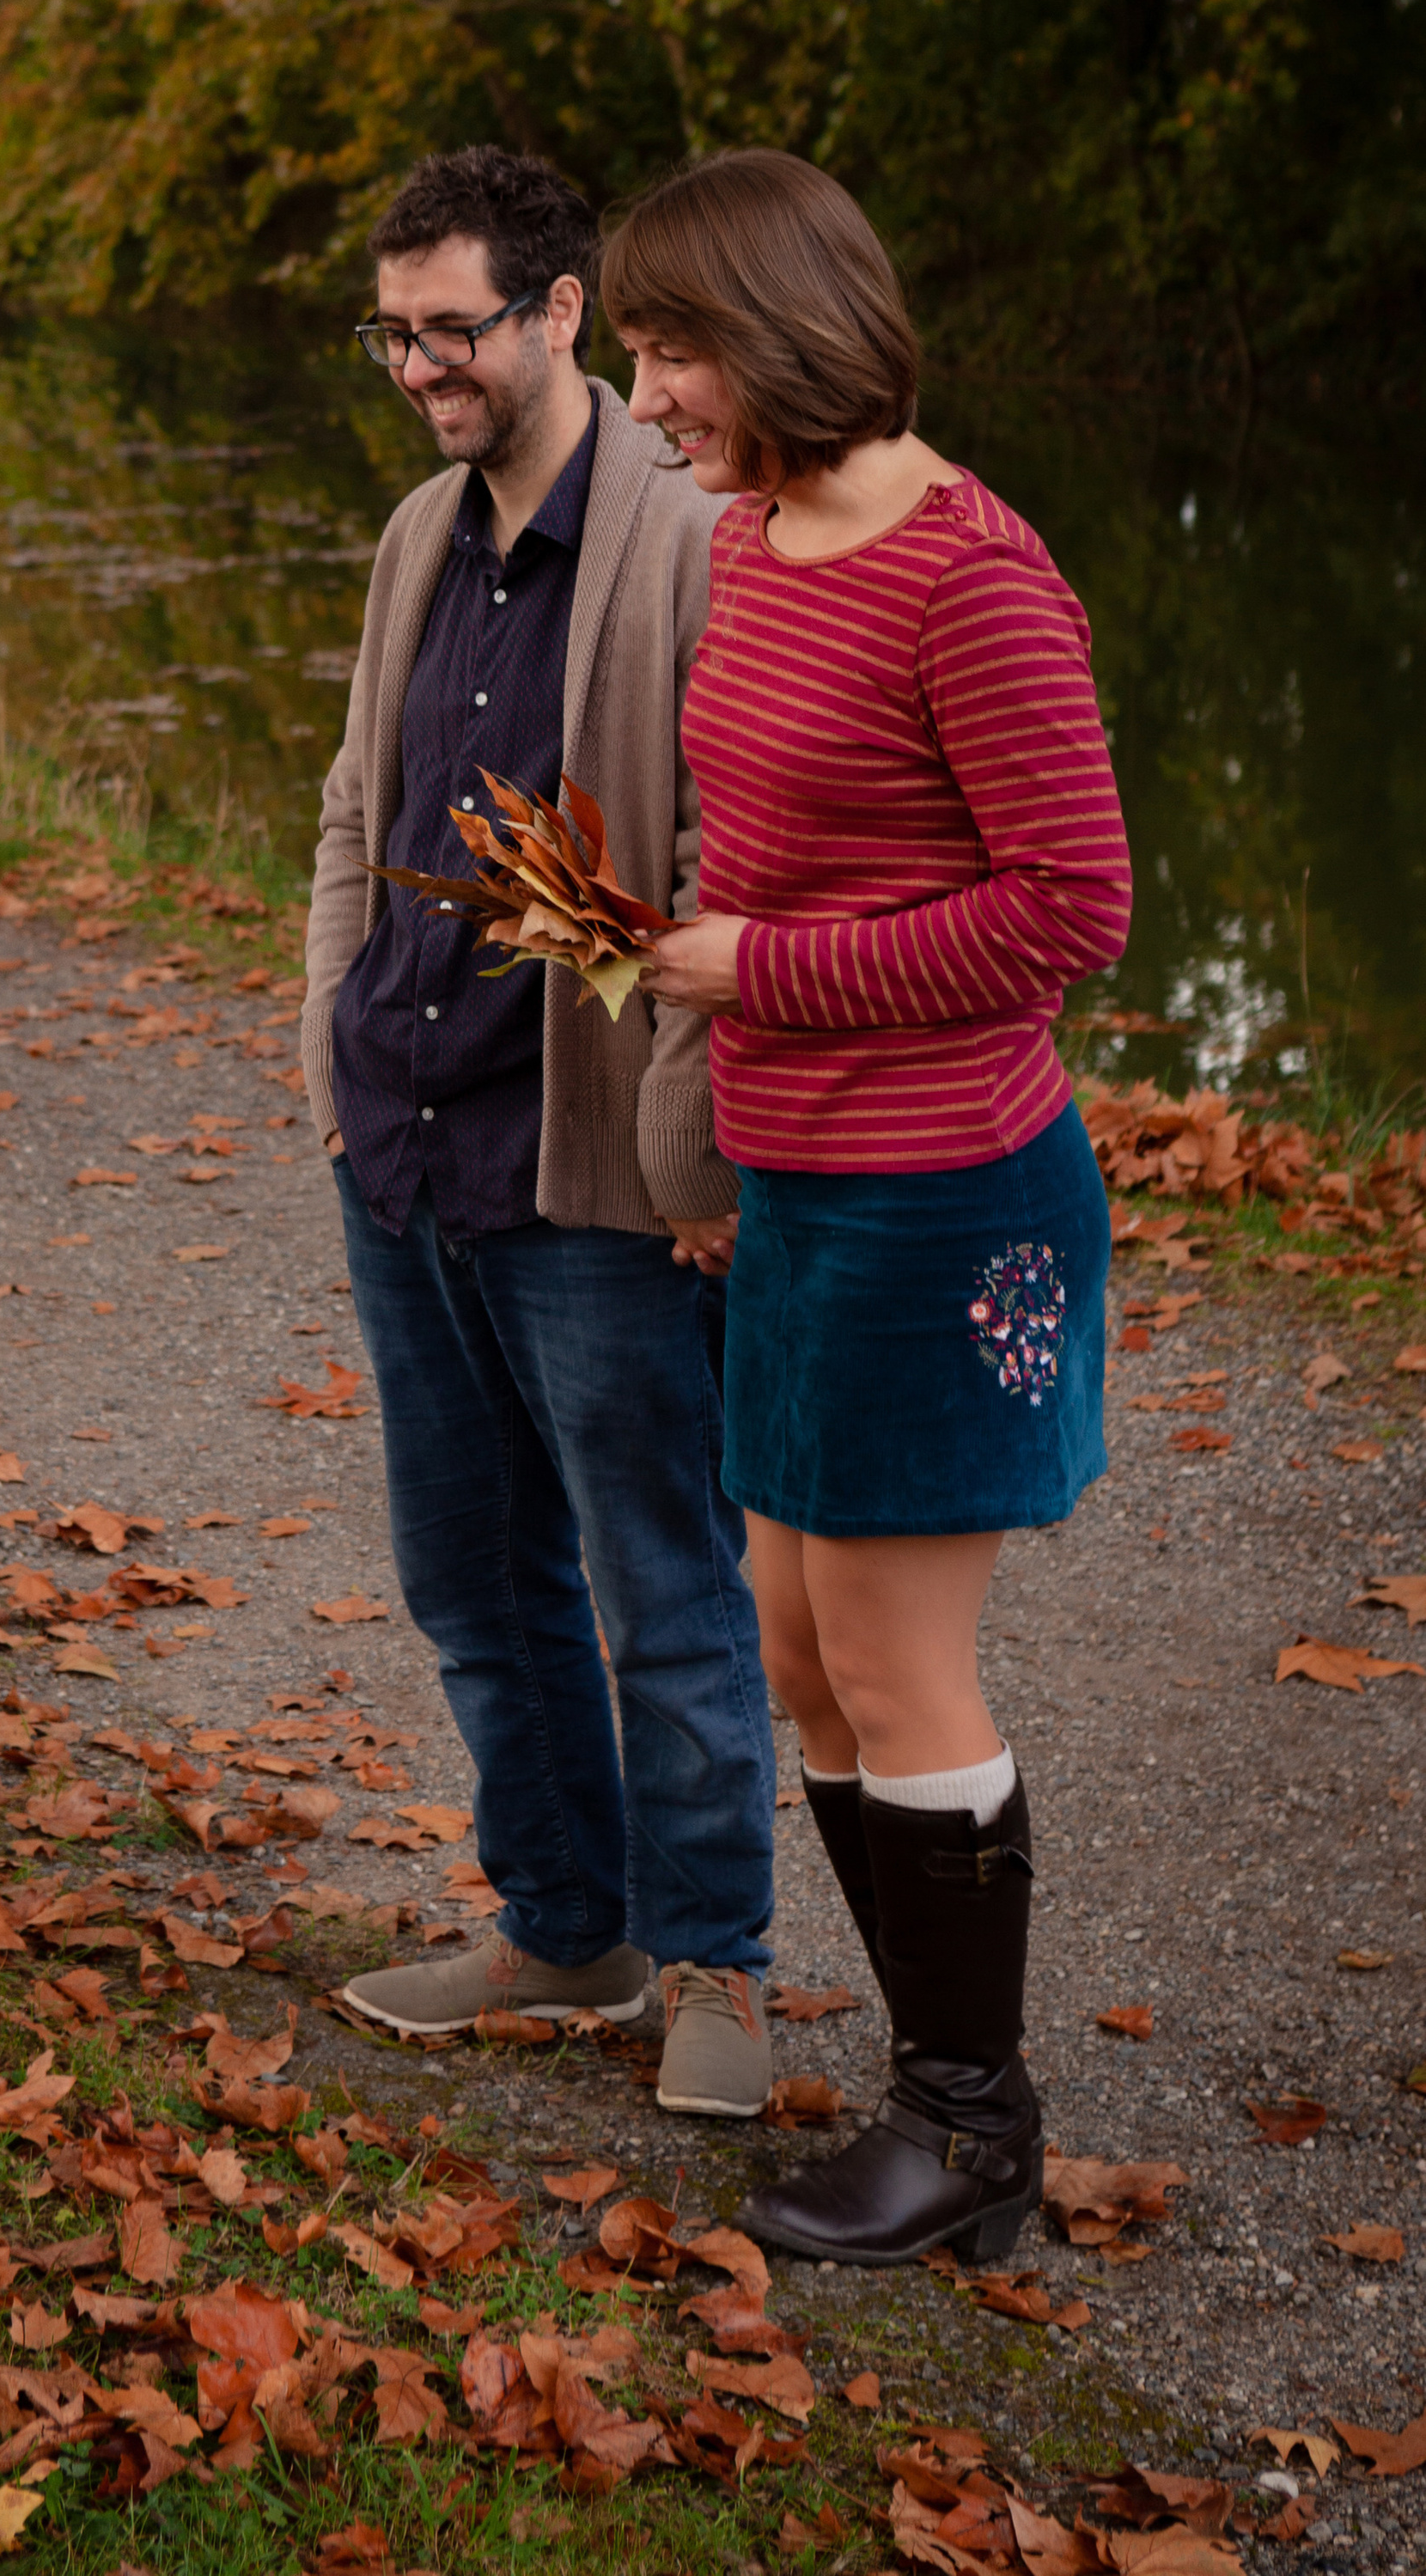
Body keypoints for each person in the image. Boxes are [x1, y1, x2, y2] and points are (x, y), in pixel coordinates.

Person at [611, 148, 1131, 2263]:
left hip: (949, 1200)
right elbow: (769, 834)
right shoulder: (751, 537)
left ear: (781, 331)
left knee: (897, 1673)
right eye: (637, 357)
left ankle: (969, 2134)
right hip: (802, 1186)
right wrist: (722, 1092)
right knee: (793, 1650)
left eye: (668, 351)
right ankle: (940, 2084)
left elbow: (1068, 910)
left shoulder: (970, 575)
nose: (645, 399)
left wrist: (764, 974)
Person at [303, 143, 777, 2117]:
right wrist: (326, 1048)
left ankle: (714, 1970)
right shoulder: (418, 531)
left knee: (653, 1579)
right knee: (470, 1575)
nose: (421, 369)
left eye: (455, 330)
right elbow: (354, 802)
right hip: (403, 1144)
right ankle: (561, 1926)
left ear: (563, 310)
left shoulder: (689, 533)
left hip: (588, 1174)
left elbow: (734, 854)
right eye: (393, 334)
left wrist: (705, 1166)